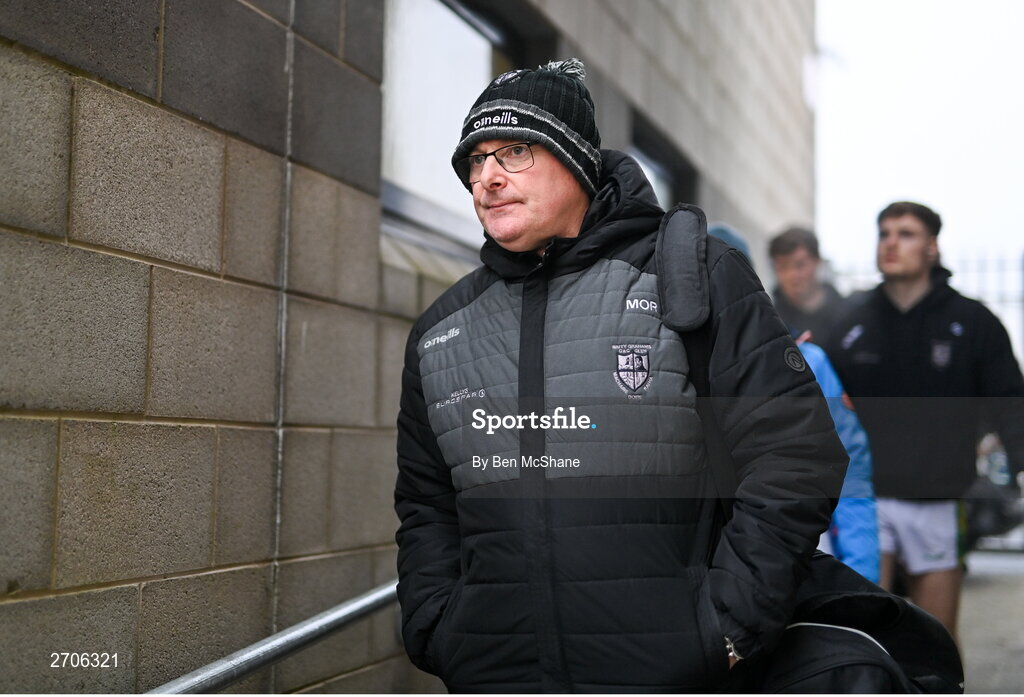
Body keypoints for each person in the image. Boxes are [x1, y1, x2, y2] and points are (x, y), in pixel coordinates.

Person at [394, 58, 847, 692]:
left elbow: (796, 455)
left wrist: (727, 629)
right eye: (474, 160)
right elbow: (425, 506)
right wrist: (440, 627)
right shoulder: (443, 330)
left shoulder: (696, 277)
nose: (487, 177)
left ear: (577, 160)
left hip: (670, 672)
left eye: (515, 151)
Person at [827, 200, 1024, 639]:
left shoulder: (973, 322)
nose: (891, 243)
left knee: (936, 647)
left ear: (932, 247)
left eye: (906, 234)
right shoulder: (850, 322)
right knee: (865, 638)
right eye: (885, 233)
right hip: (868, 501)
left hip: (937, 502)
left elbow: (1009, 401)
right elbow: (821, 401)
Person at [708, 224, 879, 582]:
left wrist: (859, 570)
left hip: (794, 560)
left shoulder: (806, 357)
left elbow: (851, 469)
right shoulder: (654, 361)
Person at [769, 226, 848, 345]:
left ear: (817, 261)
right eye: (783, 267)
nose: (792, 275)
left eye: (799, 265)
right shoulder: (768, 321)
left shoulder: (846, 316)